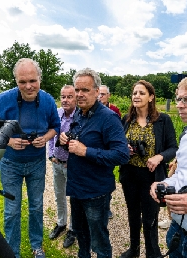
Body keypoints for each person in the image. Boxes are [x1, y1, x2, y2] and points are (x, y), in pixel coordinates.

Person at [0, 58, 60, 258]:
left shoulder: (48, 100)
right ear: (16, 80)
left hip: (36, 162)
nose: (28, 86)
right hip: (10, 163)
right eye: (22, 82)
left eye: (32, 81)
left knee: (36, 206)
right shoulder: (2, 99)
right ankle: (12, 252)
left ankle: (37, 246)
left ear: (40, 79)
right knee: (12, 210)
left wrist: (45, 138)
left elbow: (56, 127)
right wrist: (8, 141)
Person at [59, 68, 130, 258]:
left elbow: (122, 155)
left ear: (97, 92)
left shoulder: (109, 118)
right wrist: (65, 141)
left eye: (85, 90)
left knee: (99, 241)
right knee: (82, 237)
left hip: (96, 191)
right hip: (76, 187)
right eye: (77, 90)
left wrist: (86, 151)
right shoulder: (79, 114)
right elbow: (76, 145)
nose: (80, 94)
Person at [150, 73, 187, 258]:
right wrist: (165, 184)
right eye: (179, 98)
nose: (179, 105)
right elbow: (183, 175)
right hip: (178, 232)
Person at [119, 80, 178, 258]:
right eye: (134, 93)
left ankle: (153, 252)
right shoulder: (127, 119)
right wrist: (125, 149)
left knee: (150, 218)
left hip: (152, 176)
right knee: (133, 214)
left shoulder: (162, 120)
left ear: (151, 97)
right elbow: (118, 144)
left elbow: (173, 148)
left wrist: (159, 157)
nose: (136, 96)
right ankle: (134, 249)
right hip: (130, 174)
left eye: (141, 93)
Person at [48, 85, 77, 248]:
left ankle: (73, 229)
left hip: (72, 165)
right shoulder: (57, 113)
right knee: (59, 194)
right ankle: (61, 223)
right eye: (63, 96)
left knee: (74, 197)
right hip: (57, 162)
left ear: (75, 98)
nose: (65, 100)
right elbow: (51, 135)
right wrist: (51, 155)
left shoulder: (79, 116)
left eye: (69, 96)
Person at [98, 84, 121, 219]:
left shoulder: (114, 110)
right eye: (99, 94)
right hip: (96, 150)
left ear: (108, 96)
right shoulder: (91, 109)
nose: (100, 97)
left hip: (108, 152)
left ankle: (106, 207)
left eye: (103, 94)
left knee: (107, 178)